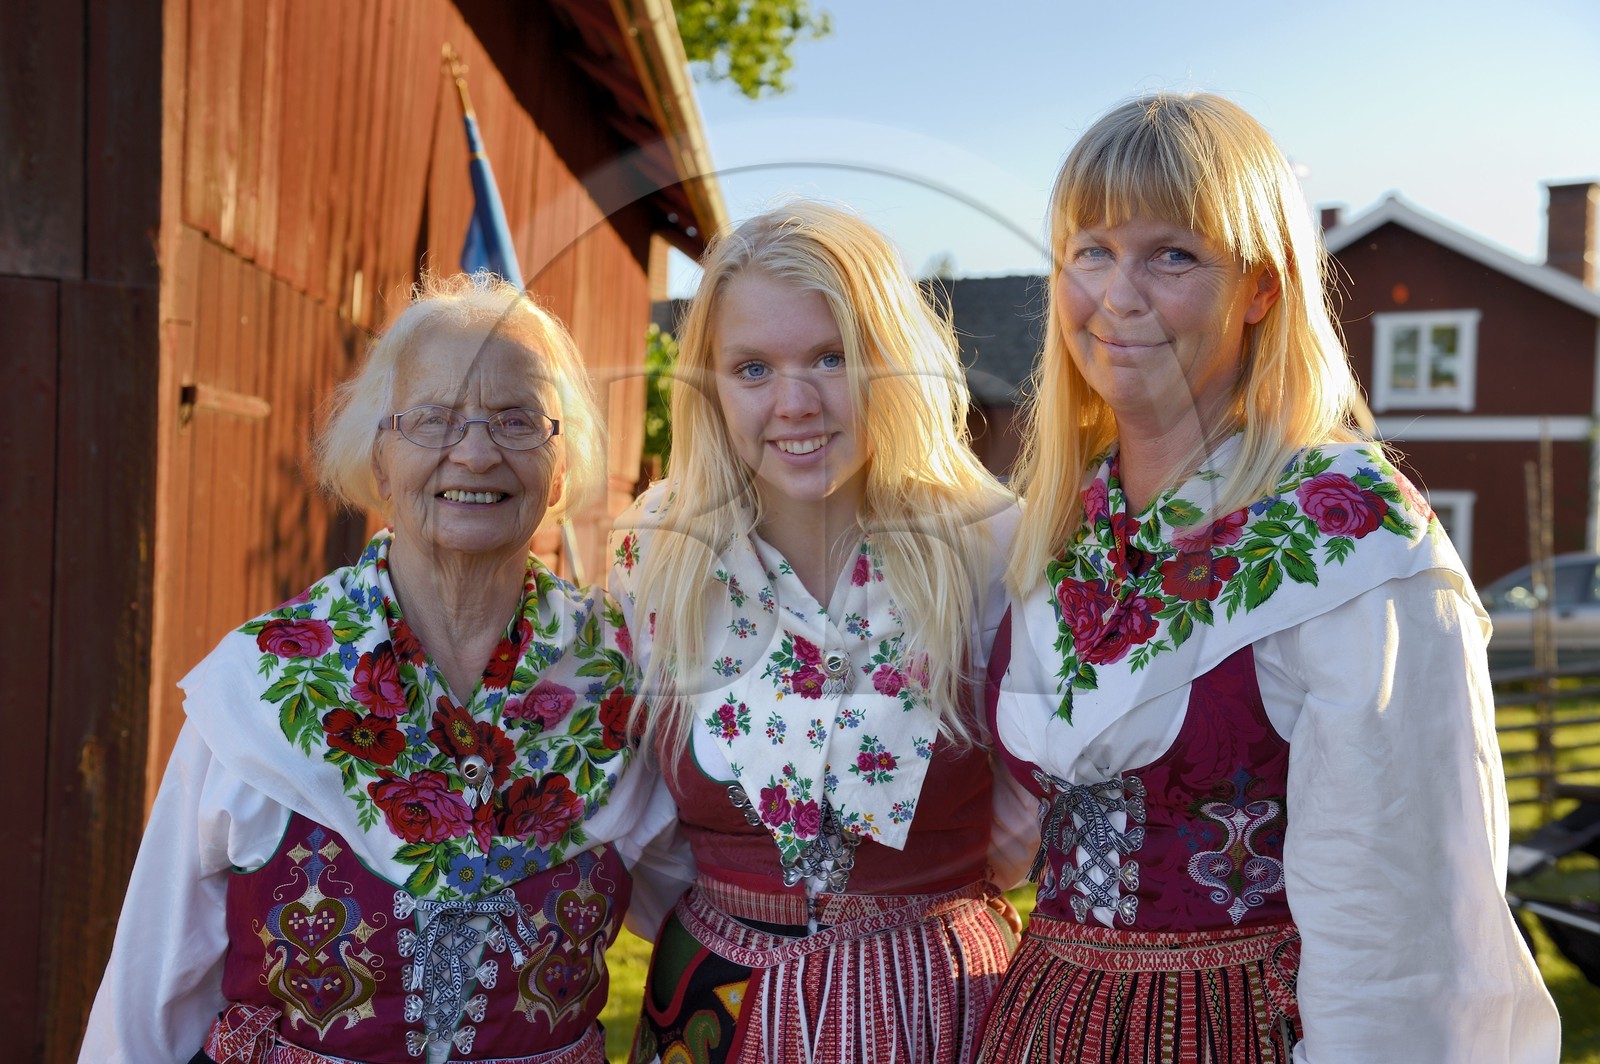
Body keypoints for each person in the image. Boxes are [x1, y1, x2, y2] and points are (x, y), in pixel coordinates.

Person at [977, 93, 1562, 1063]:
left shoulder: (1351, 537)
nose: (1116, 296)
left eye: (1172, 254)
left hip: (1242, 1031)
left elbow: (1400, 923)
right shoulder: (1061, 521)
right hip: (1042, 1021)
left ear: (1258, 287)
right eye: (1089, 249)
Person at [79, 274, 672, 1064]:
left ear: (560, 470)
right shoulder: (259, 689)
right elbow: (147, 1000)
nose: (476, 450)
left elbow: (721, 904)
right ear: (380, 462)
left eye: (517, 419)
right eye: (433, 419)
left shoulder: (621, 685)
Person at [608, 200, 1030, 1064]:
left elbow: (1036, 806)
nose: (795, 403)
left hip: (940, 999)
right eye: (752, 368)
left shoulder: (992, 543)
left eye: (833, 357)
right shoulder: (651, 552)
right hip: (713, 1009)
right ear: (711, 385)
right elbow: (631, 819)